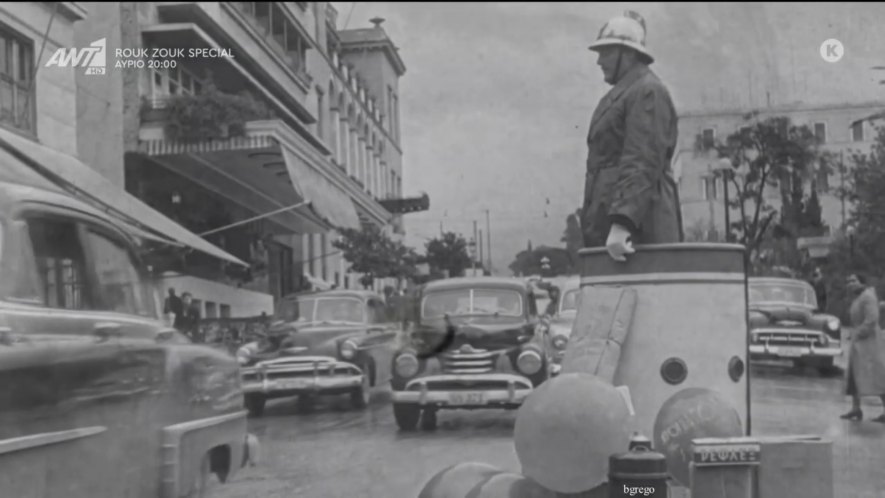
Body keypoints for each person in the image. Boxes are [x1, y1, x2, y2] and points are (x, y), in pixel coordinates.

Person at [581, 10, 682, 261]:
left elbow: (642, 159)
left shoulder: (647, 91)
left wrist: (622, 222)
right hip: (619, 231)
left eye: (605, 52)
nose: (599, 61)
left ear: (627, 53)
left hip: (639, 232)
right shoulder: (629, 91)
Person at [840, 272, 885, 422]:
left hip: (869, 344)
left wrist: (858, 333)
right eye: (849, 281)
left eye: (854, 280)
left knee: (877, 377)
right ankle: (855, 408)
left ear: (862, 282)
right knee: (854, 376)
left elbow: (872, 320)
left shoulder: (868, 296)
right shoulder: (859, 297)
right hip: (859, 344)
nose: (850, 283)